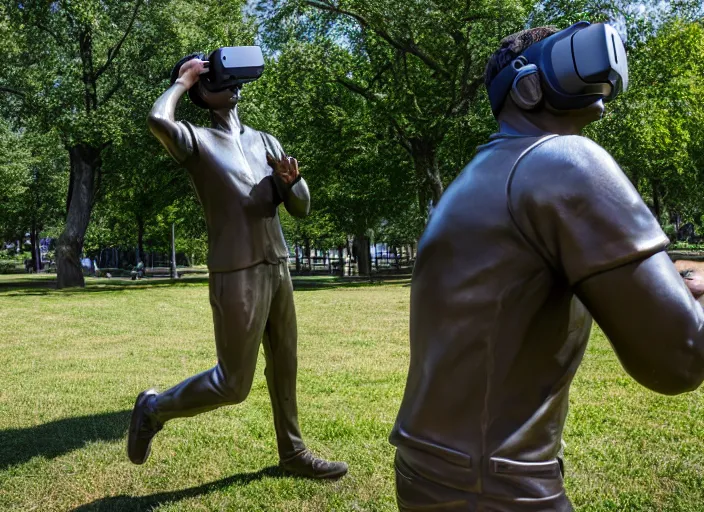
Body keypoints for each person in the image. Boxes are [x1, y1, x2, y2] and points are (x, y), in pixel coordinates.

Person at [389, 23, 704, 511]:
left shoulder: (476, 178)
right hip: (496, 487)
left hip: (429, 470)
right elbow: (679, 359)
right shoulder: (563, 161)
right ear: (527, 85)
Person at [128, 51, 348, 479]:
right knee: (233, 384)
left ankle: (293, 452)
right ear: (204, 92)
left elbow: (301, 208)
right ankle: (153, 408)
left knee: (285, 364)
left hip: (277, 265)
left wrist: (292, 183)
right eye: (214, 80)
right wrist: (183, 80)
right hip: (236, 271)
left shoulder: (265, 141)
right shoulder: (196, 141)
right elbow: (158, 121)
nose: (230, 85)